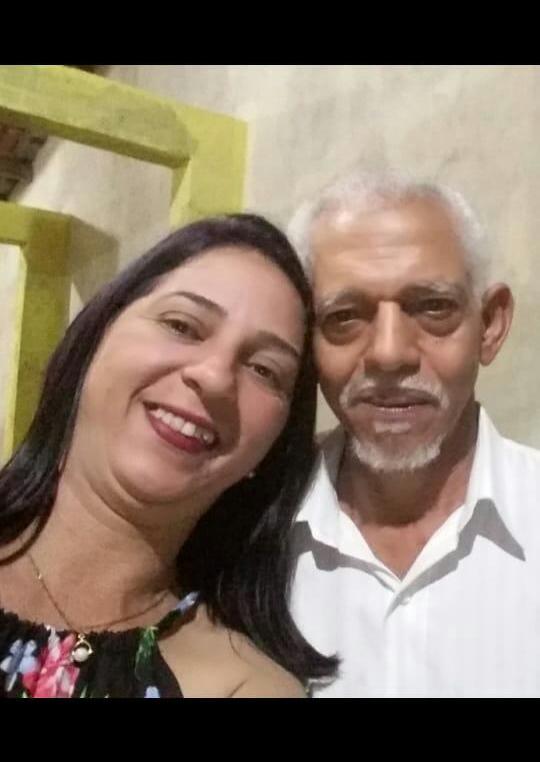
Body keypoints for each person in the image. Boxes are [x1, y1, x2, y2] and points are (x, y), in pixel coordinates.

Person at [0, 213, 336, 698]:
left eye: (265, 370)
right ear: (95, 335)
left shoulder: (243, 686)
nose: (215, 377)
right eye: (182, 325)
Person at [288, 169, 540, 698]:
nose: (389, 353)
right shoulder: (247, 538)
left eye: (432, 307)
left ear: (490, 325)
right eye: (344, 316)